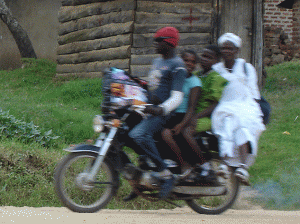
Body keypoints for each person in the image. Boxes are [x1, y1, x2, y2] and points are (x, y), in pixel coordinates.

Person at [124, 27, 187, 201]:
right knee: (125, 132)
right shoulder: (157, 62)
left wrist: (161, 109)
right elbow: (153, 86)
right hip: (150, 109)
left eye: (159, 41)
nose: (156, 44)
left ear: (169, 42)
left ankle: (166, 175)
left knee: (138, 134)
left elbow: (177, 97)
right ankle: (142, 179)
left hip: (164, 113)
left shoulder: (178, 65)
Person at [211, 33, 266, 186]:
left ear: (236, 50)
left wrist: (252, 110)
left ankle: (243, 167)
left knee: (242, 128)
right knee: (227, 128)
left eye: (230, 48)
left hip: (245, 106)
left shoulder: (246, 68)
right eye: (224, 48)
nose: (227, 51)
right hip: (225, 107)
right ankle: (225, 165)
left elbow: (254, 92)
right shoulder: (216, 69)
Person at [177, 45, 227, 180]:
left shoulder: (216, 78)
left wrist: (196, 116)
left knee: (186, 131)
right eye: (203, 56)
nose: (204, 59)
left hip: (207, 116)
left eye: (209, 57)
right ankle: (185, 164)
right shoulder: (197, 75)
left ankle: (206, 165)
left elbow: (216, 104)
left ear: (216, 61)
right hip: (192, 113)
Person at [161, 50, 201, 176]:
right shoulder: (175, 77)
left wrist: (182, 125)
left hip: (184, 116)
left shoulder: (195, 82)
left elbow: (191, 107)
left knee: (167, 134)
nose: (189, 64)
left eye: (193, 62)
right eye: (186, 60)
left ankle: (183, 163)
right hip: (171, 113)